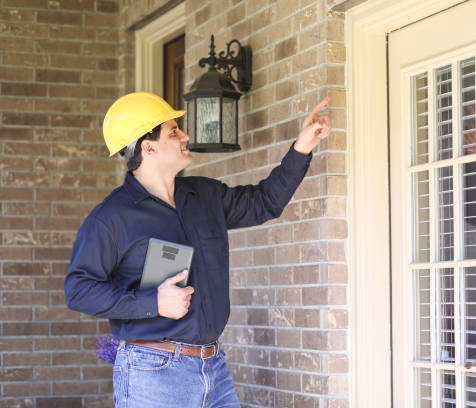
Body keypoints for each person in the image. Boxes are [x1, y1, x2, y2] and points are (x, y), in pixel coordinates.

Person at [64, 91, 331, 408]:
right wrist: (153, 302)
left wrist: (302, 148)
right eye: (173, 131)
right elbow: (78, 290)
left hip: (213, 367)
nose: (185, 136)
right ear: (148, 147)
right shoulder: (111, 218)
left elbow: (265, 203)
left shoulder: (205, 195)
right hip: (153, 374)